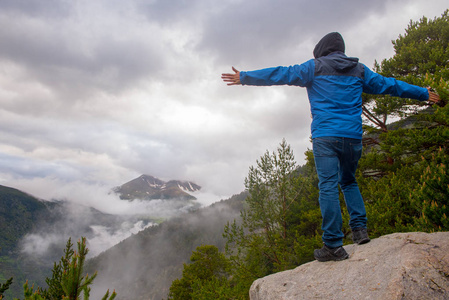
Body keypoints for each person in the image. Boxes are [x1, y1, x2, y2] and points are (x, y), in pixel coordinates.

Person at [221, 32, 440, 262]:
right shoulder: (360, 70)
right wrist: (424, 93)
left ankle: (333, 244)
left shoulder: (314, 67)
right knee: (348, 180)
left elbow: (281, 73)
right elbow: (392, 86)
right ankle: (360, 231)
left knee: (328, 185)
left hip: (326, 136)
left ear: (321, 50)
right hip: (353, 138)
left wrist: (245, 76)